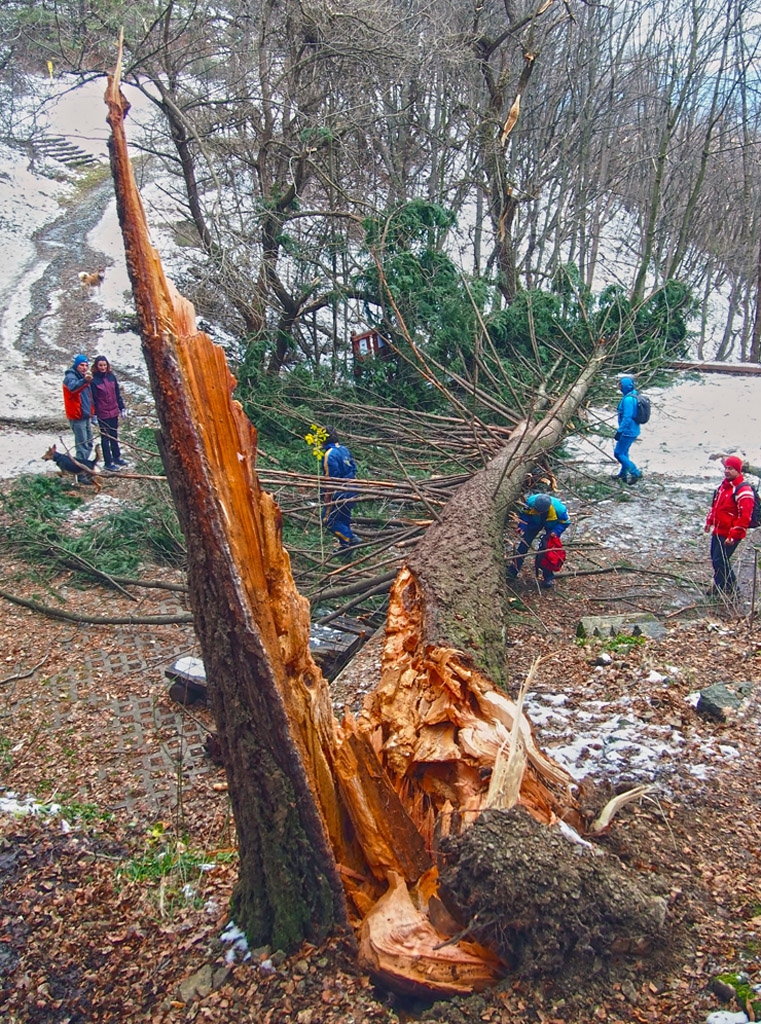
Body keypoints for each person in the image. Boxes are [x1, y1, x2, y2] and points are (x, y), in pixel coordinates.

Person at [704, 455, 755, 596]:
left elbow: (744, 517)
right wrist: (709, 521)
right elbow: (716, 506)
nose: (727, 471)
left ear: (738, 471)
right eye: (726, 468)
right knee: (716, 560)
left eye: (730, 468)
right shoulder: (723, 487)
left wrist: (733, 535)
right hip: (719, 530)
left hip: (730, 533)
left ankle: (732, 590)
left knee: (720, 561)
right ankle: (721, 587)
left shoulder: (743, 491)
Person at [507, 493, 570, 588]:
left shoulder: (560, 509)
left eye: (539, 511)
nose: (537, 511)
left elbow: (565, 522)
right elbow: (524, 515)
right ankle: (512, 572)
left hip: (551, 526)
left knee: (548, 552)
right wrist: (522, 526)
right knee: (523, 546)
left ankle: (548, 577)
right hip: (534, 523)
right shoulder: (530, 503)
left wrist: (555, 531)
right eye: (536, 509)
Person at [320, 426, 360, 550]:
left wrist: (327, 497)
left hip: (339, 493)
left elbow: (330, 480)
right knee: (343, 518)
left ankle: (350, 538)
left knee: (327, 520)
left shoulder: (329, 454)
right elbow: (353, 468)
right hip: (352, 490)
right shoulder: (344, 450)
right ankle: (346, 549)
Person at [62, 354, 95, 484]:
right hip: (77, 416)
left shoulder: (83, 377)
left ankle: (84, 470)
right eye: (82, 365)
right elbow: (73, 388)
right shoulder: (70, 377)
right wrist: (85, 381)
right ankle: (80, 474)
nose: (84, 367)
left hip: (85, 415)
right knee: (82, 445)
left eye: (86, 365)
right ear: (76, 365)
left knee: (89, 443)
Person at [90, 355, 127, 471]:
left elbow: (117, 394)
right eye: (100, 365)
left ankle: (117, 457)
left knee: (114, 435)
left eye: (104, 365)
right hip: (102, 413)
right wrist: (94, 415)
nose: (103, 367)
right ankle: (108, 462)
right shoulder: (93, 380)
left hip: (113, 411)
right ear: (96, 366)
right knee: (105, 438)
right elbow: (93, 399)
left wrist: (122, 408)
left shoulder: (111, 377)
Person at [613, 375, 642, 484]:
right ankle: (623, 474)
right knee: (624, 452)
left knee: (618, 453)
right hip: (632, 429)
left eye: (620, 384)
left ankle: (635, 473)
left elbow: (627, 417)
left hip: (628, 431)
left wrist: (620, 431)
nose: (618, 386)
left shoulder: (628, 400)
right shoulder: (633, 395)